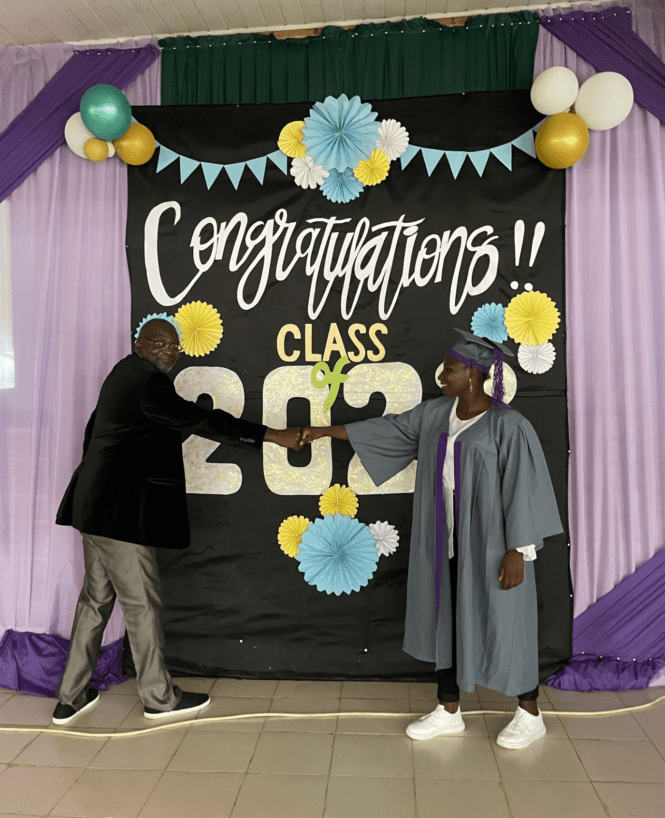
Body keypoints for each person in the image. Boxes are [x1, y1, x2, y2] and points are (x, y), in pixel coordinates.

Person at [300, 329, 563, 750]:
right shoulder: (436, 414)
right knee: (446, 615)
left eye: (451, 369)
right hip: (445, 535)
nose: (442, 375)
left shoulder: (509, 424)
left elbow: (524, 486)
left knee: (506, 620)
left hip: (494, 540)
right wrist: (323, 431)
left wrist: (520, 549)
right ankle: (448, 708)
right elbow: (387, 430)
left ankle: (529, 713)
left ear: (474, 376)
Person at [52, 316, 302, 726]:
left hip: (92, 508)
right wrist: (271, 435)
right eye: (160, 344)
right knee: (141, 605)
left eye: (175, 347)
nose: (169, 352)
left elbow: (93, 431)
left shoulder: (122, 374)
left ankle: (70, 697)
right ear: (141, 343)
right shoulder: (148, 383)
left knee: (95, 602)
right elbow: (201, 420)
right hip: (118, 517)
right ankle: (159, 698)